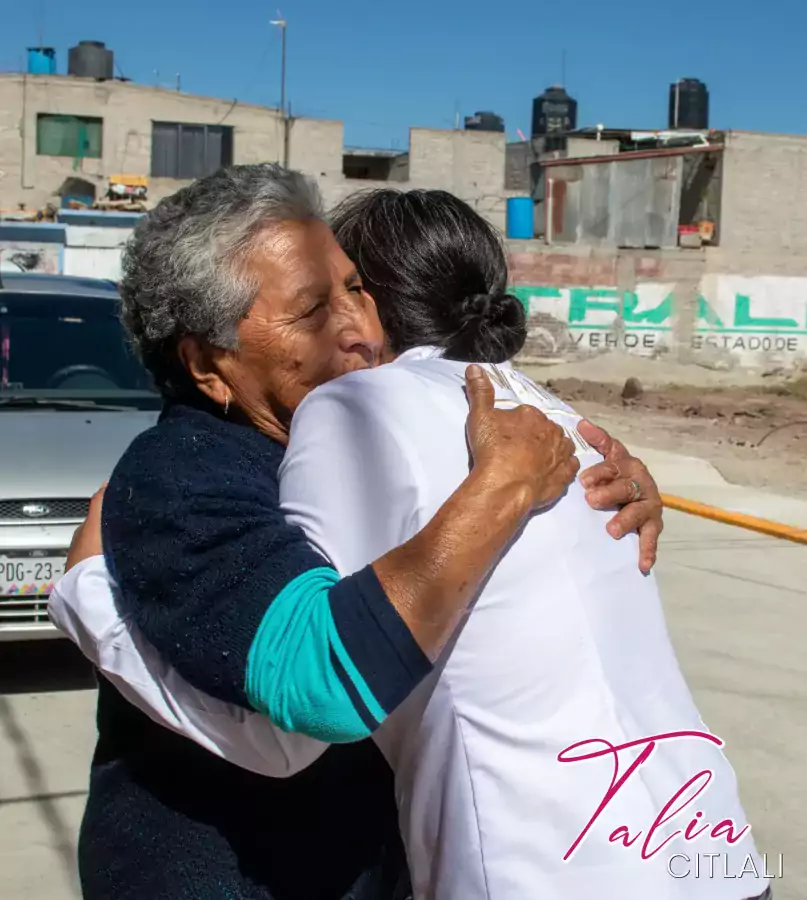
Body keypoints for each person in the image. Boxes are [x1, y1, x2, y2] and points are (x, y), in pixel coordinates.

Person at [56, 187, 767, 900]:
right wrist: (93, 605)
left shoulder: (399, 424)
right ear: (208, 365)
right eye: (311, 310)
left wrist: (611, 492)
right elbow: (310, 707)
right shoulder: (186, 472)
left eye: (357, 289)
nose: (358, 329)